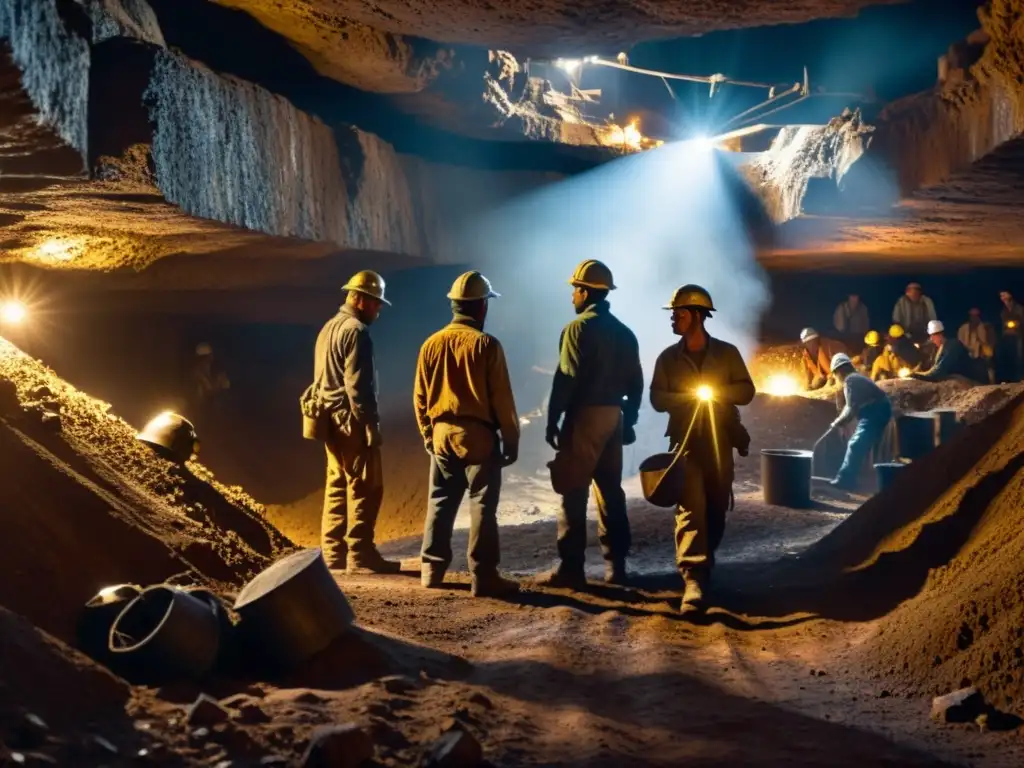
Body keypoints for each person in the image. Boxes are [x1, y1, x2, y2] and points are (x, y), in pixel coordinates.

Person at [415, 271, 521, 598]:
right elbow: (502, 400)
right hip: (478, 436)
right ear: (480, 308)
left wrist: (428, 436)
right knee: (482, 505)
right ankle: (483, 575)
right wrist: (511, 440)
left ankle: (431, 570)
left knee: (441, 501)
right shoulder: (487, 345)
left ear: (454, 305)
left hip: (442, 433)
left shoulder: (430, 344)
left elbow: (420, 397)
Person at [650, 285, 754, 614]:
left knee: (716, 507)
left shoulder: (726, 354)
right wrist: (688, 399)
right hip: (686, 443)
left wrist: (717, 392)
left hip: (720, 440)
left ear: (697, 316)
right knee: (691, 507)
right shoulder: (668, 358)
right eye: (672, 315)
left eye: (678, 314)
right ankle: (693, 579)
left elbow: (747, 391)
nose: (673, 320)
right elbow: (656, 398)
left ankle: (705, 562)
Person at [541, 259, 643, 588]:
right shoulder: (625, 333)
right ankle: (616, 567)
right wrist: (630, 419)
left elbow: (566, 379)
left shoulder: (577, 329)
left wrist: (553, 419)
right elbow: (637, 383)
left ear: (585, 292)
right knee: (610, 492)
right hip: (613, 416)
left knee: (574, 491)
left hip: (584, 417)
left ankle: (572, 568)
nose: (572, 296)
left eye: (575, 290)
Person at [310, 270, 400, 574]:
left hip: (329, 420)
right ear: (359, 299)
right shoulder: (357, 332)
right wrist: (370, 426)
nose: (379, 309)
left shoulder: (327, 328)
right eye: (375, 303)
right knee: (366, 486)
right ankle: (361, 554)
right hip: (351, 422)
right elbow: (358, 388)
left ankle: (333, 554)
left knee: (336, 484)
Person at [815, 353, 892, 491]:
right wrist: (838, 422)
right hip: (875, 411)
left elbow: (851, 409)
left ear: (838, 371)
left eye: (835, 374)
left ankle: (845, 480)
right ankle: (850, 477)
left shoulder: (851, 381)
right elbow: (850, 405)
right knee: (857, 444)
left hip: (875, 412)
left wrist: (838, 423)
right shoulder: (855, 379)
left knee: (855, 444)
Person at [910, 320, 980, 383]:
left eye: (932, 336)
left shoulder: (953, 346)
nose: (931, 339)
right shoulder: (940, 347)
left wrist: (915, 375)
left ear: (940, 335)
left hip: (971, 380)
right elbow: (933, 368)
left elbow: (937, 373)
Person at [187, 342, 230, 411]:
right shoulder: (197, 372)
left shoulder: (213, 370)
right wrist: (219, 383)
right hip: (201, 407)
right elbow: (209, 390)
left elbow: (225, 385)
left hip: (209, 407)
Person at [957, 308, 995, 384]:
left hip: (979, 357)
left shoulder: (984, 328)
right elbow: (960, 342)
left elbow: (987, 343)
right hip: (966, 356)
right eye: (972, 316)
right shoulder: (963, 328)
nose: (974, 318)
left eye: (976, 316)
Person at [998, 290, 1023, 383]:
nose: (1002, 297)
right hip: (1008, 336)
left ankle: (1020, 377)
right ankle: (1009, 379)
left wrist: (1017, 323)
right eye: (1001, 296)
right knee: (1008, 357)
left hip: (1018, 335)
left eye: (1004, 295)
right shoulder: (1003, 311)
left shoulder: (1019, 308)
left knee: (1019, 356)